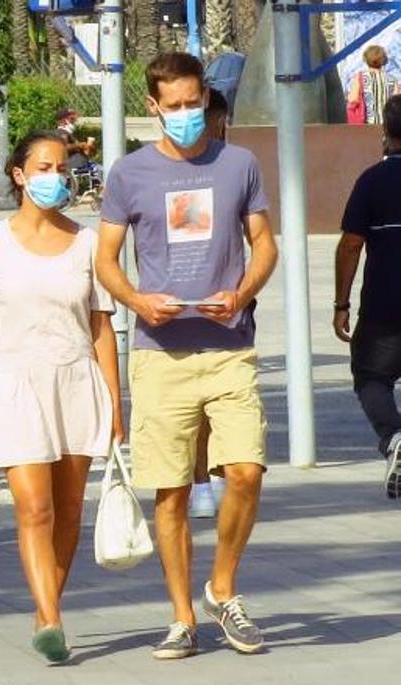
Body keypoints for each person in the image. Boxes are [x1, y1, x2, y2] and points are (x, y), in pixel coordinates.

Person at [96, 52, 278, 660]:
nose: (183, 115)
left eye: (192, 103)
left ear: (207, 99)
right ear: (153, 106)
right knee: (171, 491)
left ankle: (222, 585)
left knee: (246, 471)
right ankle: (182, 618)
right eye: (171, 106)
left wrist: (243, 293)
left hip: (230, 347)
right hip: (160, 354)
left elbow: (264, 246)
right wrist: (139, 302)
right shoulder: (128, 174)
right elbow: (106, 261)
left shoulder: (240, 165)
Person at [0, 131, 122, 664]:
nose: (55, 176)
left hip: (75, 383)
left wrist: (116, 403)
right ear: (19, 175)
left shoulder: (88, 243)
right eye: (43, 167)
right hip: (17, 387)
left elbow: (101, 327)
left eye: (62, 167)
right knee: (35, 508)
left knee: (69, 510)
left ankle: (49, 607)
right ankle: (49, 617)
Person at [335, 94, 401, 499]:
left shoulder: (372, 181)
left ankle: (394, 438)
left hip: (383, 306)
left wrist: (341, 304)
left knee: (372, 377)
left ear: (386, 134)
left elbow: (350, 245)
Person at [189, 87, 232, 520]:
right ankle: (201, 480)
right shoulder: (175, 171)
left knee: (224, 402)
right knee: (199, 407)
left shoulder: (235, 167)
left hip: (229, 305)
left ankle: (216, 474)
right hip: (186, 305)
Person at [348, 45, 399, 125]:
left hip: (366, 124)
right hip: (387, 124)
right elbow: (396, 103)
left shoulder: (360, 77)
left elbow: (353, 99)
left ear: (366, 59)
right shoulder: (392, 79)